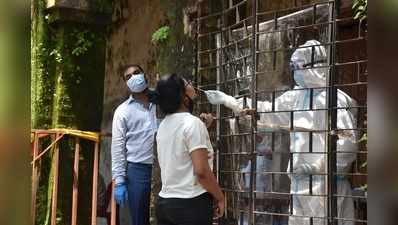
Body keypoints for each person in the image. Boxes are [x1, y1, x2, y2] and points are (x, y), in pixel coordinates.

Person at [155, 74, 225, 225]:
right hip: (190, 205)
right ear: (184, 97)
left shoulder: (163, 126)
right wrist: (220, 197)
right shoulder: (192, 124)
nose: (192, 85)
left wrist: (203, 128)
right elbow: (201, 172)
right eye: (187, 83)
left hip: (165, 203)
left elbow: (180, 149)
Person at [111, 64, 157, 225]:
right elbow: (117, 148)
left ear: (145, 75)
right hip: (138, 170)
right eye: (128, 77)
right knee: (140, 219)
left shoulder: (162, 102)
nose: (133, 77)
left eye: (136, 73)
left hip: (164, 166)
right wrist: (120, 181)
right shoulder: (122, 112)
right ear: (126, 84)